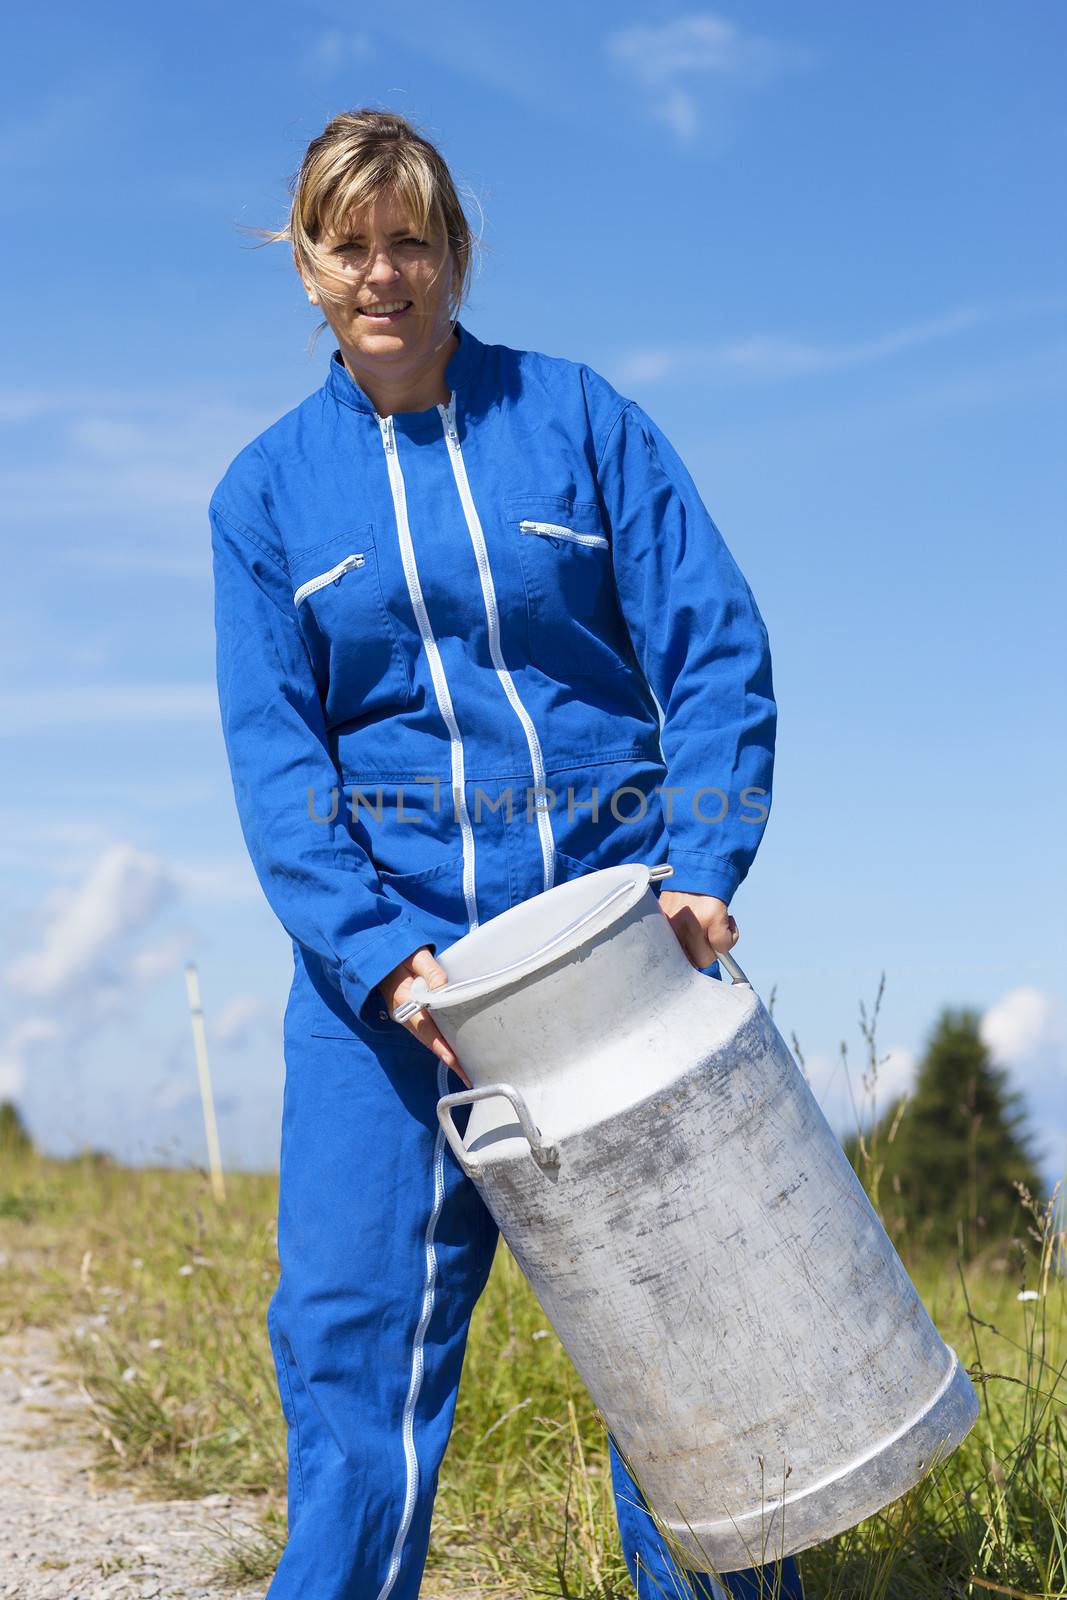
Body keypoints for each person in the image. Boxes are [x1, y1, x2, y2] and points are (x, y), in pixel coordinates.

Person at [209, 107, 800, 1600]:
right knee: (350, 1355)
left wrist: (699, 874)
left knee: (687, 1357)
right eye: (350, 245)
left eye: (412, 240)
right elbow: (280, 769)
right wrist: (384, 962)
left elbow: (717, 651)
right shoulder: (263, 498)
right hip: (393, 991)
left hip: (614, 956)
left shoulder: (582, 419)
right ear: (308, 270)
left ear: (456, 254)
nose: (383, 274)